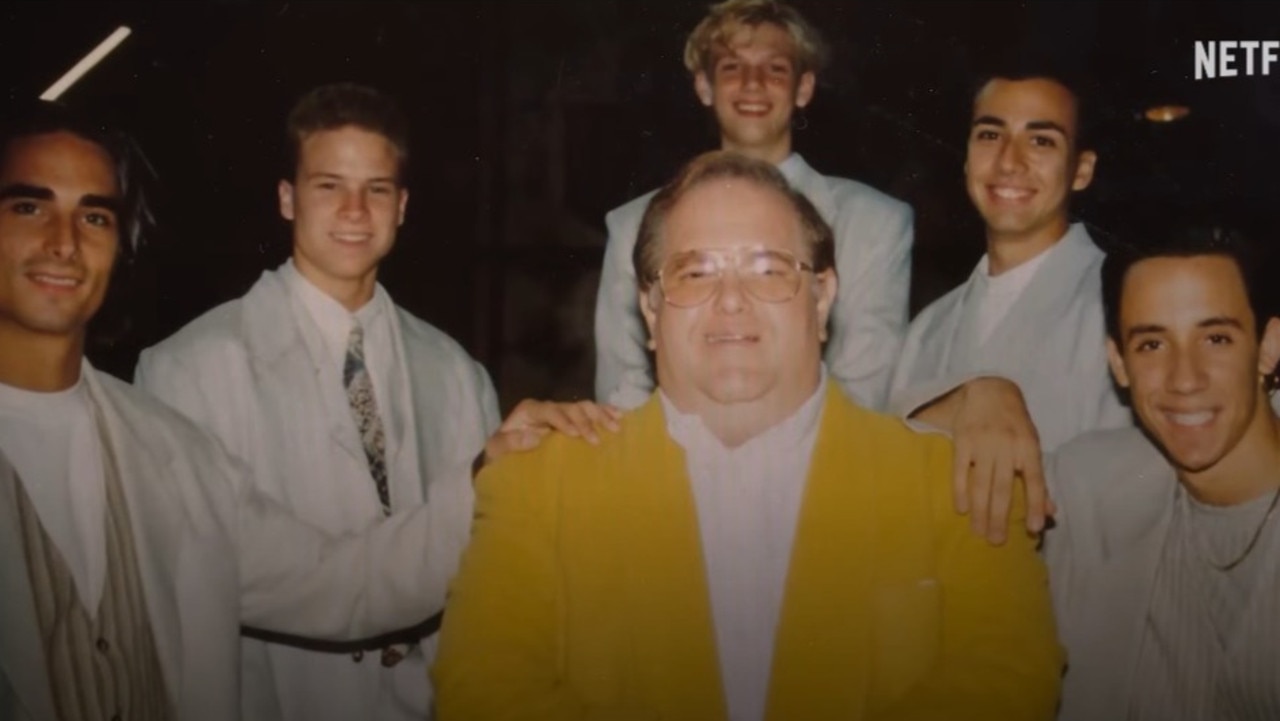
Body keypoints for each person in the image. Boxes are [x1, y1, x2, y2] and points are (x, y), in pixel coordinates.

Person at [434, 151, 1061, 721]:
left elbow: (1008, 687)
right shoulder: (538, 485)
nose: (730, 300)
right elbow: (485, 696)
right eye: (694, 272)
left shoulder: (959, 484)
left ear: (822, 299)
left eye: (766, 269)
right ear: (651, 312)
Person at [0, 98, 507, 721]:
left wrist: (492, 472)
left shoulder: (153, 442)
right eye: (29, 206)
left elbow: (346, 581)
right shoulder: (185, 369)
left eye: (95, 217)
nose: (63, 243)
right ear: (287, 197)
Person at [134, 83, 616, 721]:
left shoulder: (456, 370)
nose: (355, 210)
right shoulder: (186, 372)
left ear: (404, 205)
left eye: (378, 189)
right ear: (287, 198)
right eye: (329, 185)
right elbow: (246, 587)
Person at [594, 0, 912, 411]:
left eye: (776, 68)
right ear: (704, 87)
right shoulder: (631, 225)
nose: (753, 83)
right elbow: (623, 389)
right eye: (731, 67)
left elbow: (866, 387)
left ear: (804, 88)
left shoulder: (875, 223)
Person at [890, 66, 1129, 460]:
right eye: (990, 135)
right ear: (966, 160)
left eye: (1040, 140)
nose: (1008, 162)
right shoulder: (929, 328)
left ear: (1081, 170)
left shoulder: (1117, 308)